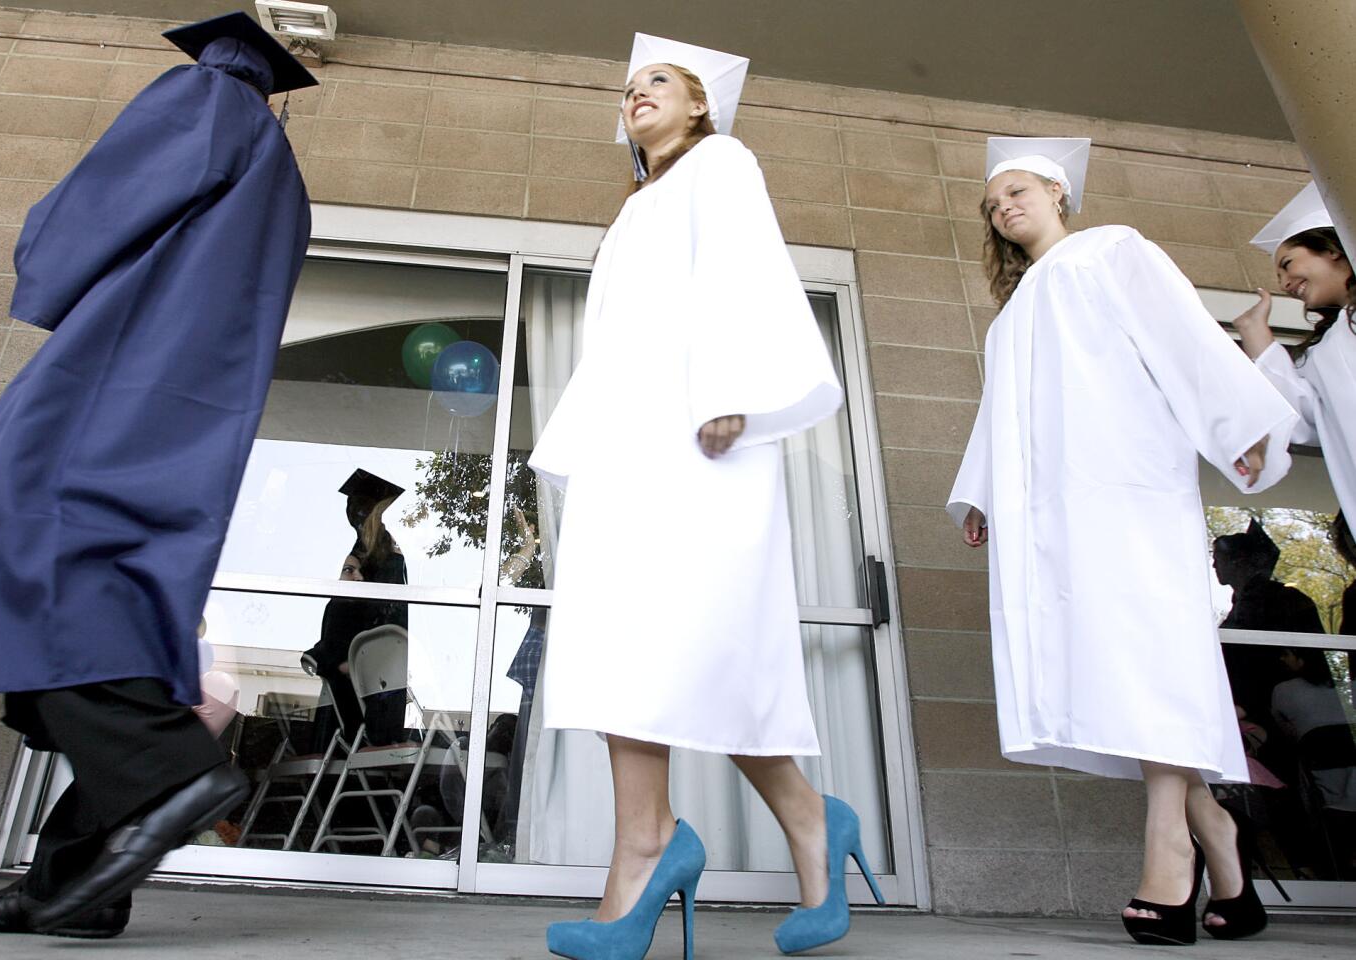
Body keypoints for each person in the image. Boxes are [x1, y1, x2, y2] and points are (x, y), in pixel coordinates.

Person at [0, 12, 315, 938]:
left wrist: (42, 264)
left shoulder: (205, 99)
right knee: (107, 595)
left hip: (118, 364)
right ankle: (80, 879)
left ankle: (168, 772)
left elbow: (93, 212)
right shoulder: (282, 172)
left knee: (16, 549)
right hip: (190, 396)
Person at [527, 33, 876, 960]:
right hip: (631, 445)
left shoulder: (720, 162)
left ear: (699, 107)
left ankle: (773, 825)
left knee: (698, 644)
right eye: (630, 87)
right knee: (624, 642)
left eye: (659, 83)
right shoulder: (636, 207)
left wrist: (730, 383)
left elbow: (744, 265)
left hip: (699, 434)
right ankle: (678, 834)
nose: (637, 94)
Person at [948, 136, 1298, 946]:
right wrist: (981, 492)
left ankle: (1168, 845)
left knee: (1149, 652)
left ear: (1058, 194)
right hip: (1056, 507)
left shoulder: (1110, 251)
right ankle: (1218, 837)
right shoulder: (1013, 314)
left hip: (1128, 485)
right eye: (993, 202)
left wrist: (1233, 423)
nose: (1005, 207)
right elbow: (1000, 413)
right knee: (1114, 663)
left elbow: (1179, 336)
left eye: (1018, 190)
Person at [1231, 183, 1356, 525]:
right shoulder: (1326, 351)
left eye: (1287, 264)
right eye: (1280, 276)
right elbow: (1300, 419)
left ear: (1331, 249)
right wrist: (1256, 335)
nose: (1285, 282)